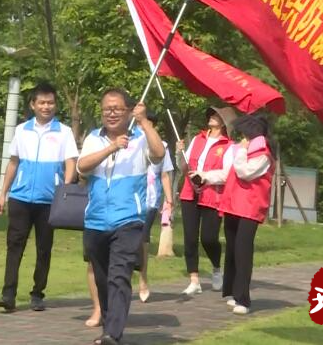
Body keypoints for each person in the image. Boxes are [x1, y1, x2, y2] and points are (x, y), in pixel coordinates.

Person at [77, 88, 165, 345]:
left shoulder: (140, 138)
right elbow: (82, 167)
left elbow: (159, 154)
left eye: (117, 109)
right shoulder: (94, 137)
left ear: (128, 111)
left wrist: (145, 122)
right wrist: (112, 147)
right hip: (95, 221)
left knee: (119, 275)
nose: (111, 113)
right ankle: (108, 324)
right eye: (107, 109)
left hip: (128, 219)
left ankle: (113, 334)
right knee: (103, 279)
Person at [0, 83, 79, 312]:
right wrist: (3, 193)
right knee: (14, 246)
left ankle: (37, 293)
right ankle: (8, 294)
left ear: (55, 105)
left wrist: (66, 190)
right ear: (33, 105)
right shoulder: (22, 130)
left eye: (50, 102)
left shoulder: (64, 132)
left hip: (49, 201)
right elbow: (13, 162)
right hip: (20, 198)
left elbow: (71, 162)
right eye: (41, 102)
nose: (46, 106)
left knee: (44, 248)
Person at [175, 106, 236, 295]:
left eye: (217, 115)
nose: (212, 117)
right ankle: (194, 279)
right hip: (189, 193)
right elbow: (184, 166)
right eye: (211, 114)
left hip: (212, 195)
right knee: (190, 238)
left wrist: (204, 176)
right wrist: (179, 153)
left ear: (225, 122)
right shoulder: (197, 139)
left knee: (209, 238)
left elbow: (226, 174)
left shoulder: (229, 146)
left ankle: (217, 267)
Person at [218, 115, 273, 315]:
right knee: (232, 249)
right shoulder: (245, 150)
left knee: (242, 251)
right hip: (233, 205)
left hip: (250, 207)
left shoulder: (263, 154)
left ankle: (243, 298)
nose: (242, 139)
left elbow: (245, 172)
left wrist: (240, 151)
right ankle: (232, 292)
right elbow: (228, 174)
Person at [136, 113, 174, 303]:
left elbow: (165, 175)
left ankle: (143, 279)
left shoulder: (162, 147)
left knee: (142, 240)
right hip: (128, 198)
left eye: (147, 124)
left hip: (149, 201)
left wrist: (169, 199)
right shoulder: (130, 141)